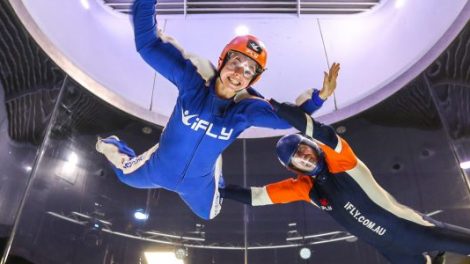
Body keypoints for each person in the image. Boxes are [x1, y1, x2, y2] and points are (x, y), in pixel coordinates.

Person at [95, 0, 339, 220]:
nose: (238, 74)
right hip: (158, 166)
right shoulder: (193, 81)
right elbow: (148, 45)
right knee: (124, 175)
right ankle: (110, 143)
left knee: (210, 213)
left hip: (197, 184)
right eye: (236, 63)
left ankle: (214, 169)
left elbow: (287, 120)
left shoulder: (246, 110)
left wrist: (320, 98)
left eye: (247, 71)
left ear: (252, 81)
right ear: (223, 60)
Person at [220, 89, 470, 263]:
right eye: (296, 157)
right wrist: (222, 190)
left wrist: (270, 104)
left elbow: (315, 129)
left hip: (419, 230)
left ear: (312, 145)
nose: (303, 156)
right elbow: (259, 197)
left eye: (303, 148)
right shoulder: (306, 188)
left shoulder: (341, 161)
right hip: (394, 252)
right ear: (293, 167)